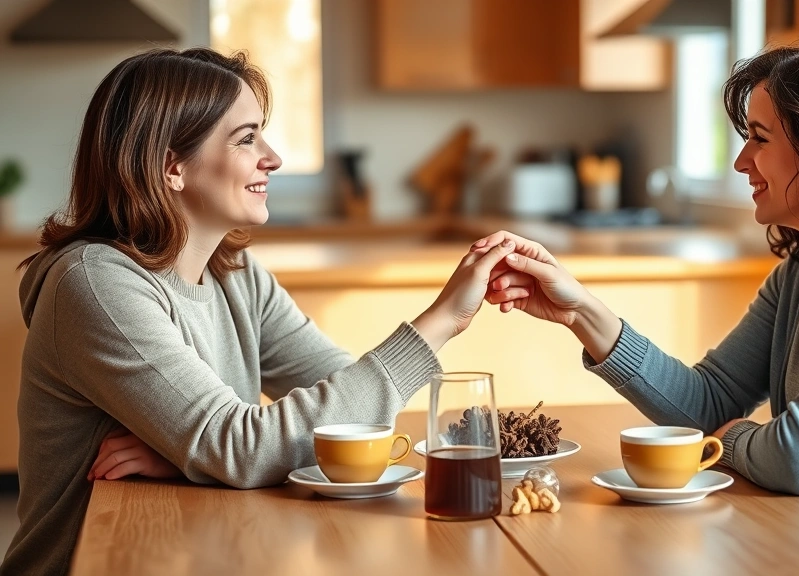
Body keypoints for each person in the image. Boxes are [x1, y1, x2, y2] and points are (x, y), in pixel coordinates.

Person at [473, 36, 799, 553]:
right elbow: (708, 404)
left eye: (760, 138)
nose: (741, 161)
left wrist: (732, 441)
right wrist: (580, 311)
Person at [2, 48, 519, 576]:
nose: (272, 158)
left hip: (201, 547)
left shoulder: (235, 273)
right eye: (247, 138)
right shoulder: (96, 284)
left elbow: (350, 417)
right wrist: (442, 321)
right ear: (171, 166)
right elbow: (244, 448)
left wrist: (193, 461)